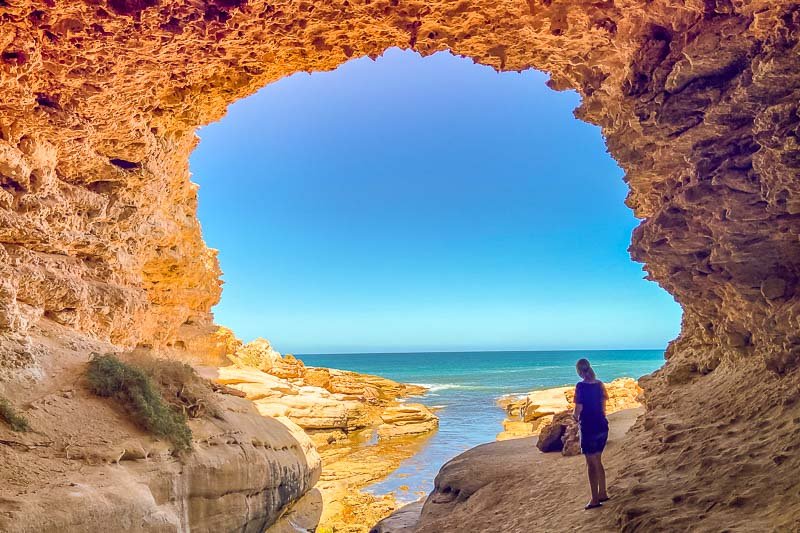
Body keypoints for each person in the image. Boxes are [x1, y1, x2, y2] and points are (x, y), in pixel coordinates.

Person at [572, 358, 610, 510]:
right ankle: (603, 492)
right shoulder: (599, 384)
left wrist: (574, 418)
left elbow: (578, 409)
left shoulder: (580, 386)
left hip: (589, 427)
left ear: (579, 371)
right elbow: (603, 408)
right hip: (602, 426)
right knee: (598, 461)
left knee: (591, 464)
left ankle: (595, 499)